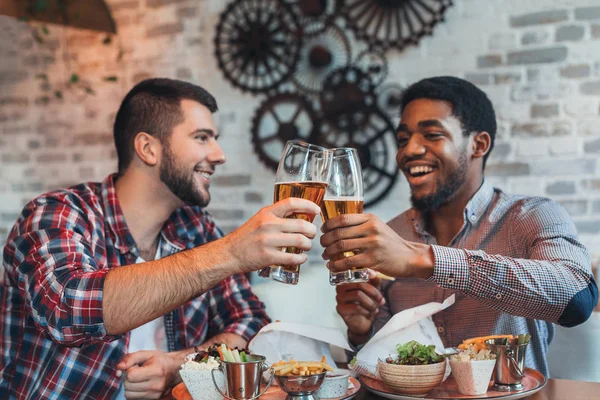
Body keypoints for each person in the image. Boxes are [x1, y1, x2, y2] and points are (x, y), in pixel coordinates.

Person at [0, 78, 321, 399]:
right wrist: (232, 252)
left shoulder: (197, 228)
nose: (220, 155)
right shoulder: (57, 214)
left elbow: (250, 322)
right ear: (148, 148)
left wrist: (180, 365)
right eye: (202, 137)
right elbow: (68, 310)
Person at [320, 76, 598, 377]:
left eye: (432, 135)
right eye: (403, 139)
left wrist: (426, 260)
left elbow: (577, 299)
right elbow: (383, 364)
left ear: (478, 145)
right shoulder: (391, 236)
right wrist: (362, 330)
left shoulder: (532, 216)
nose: (409, 150)